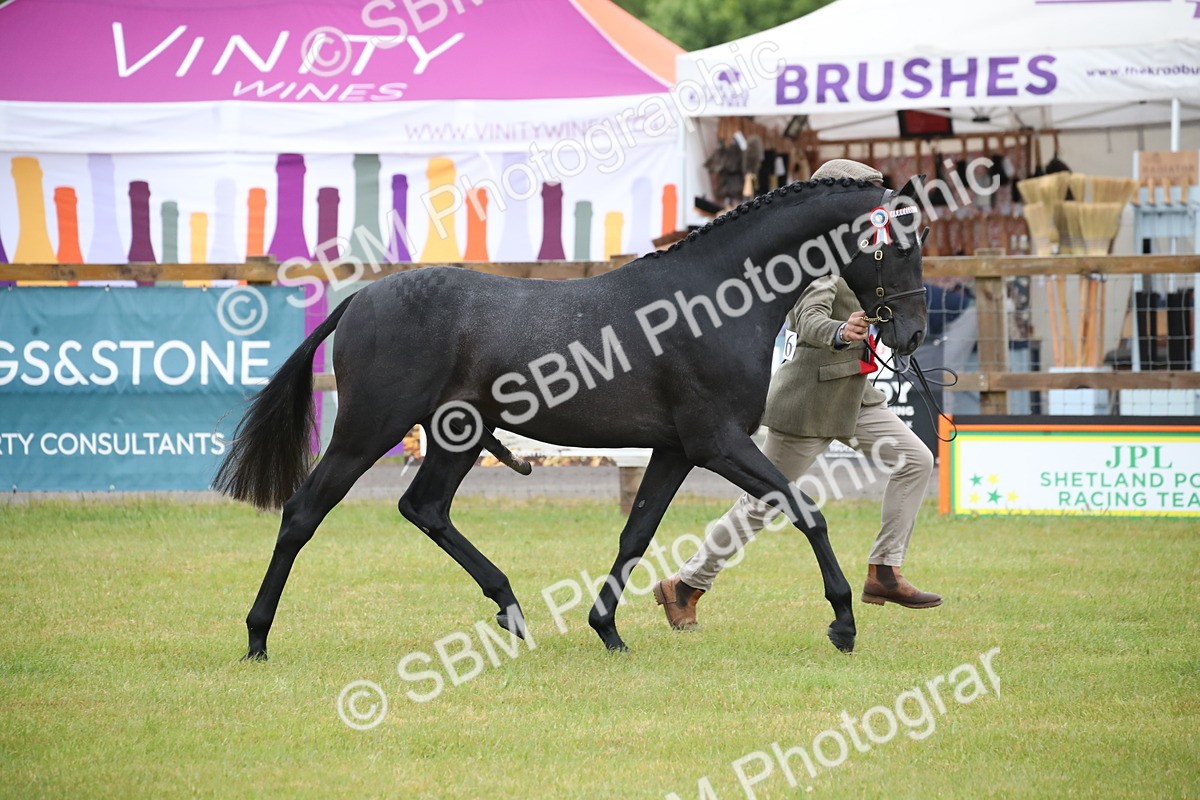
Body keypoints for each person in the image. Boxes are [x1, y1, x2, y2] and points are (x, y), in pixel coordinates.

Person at [652, 159, 940, 630]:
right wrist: (841, 332)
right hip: (810, 400)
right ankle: (684, 585)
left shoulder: (866, 251)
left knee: (915, 460)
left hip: (855, 396)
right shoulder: (818, 261)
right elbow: (806, 318)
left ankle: (885, 570)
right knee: (760, 506)